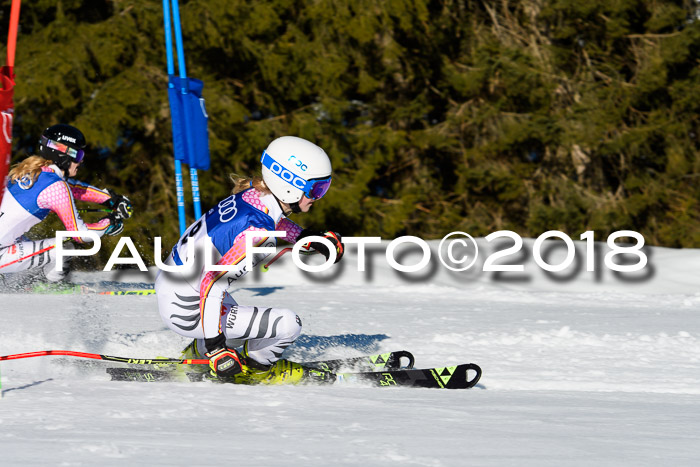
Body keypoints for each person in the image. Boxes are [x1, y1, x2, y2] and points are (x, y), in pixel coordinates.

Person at [155, 136, 344, 385]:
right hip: (187, 308)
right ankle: (258, 369)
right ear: (291, 186)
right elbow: (212, 283)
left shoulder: (253, 195)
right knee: (289, 324)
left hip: (177, 288)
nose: (318, 197)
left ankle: (198, 354)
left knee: (243, 326)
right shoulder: (259, 237)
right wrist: (216, 348)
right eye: (316, 189)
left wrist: (305, 237)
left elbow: (273, 221)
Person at [0, 124, 132, 286]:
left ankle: (26, 281)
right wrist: (110, 222)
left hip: (6, 245)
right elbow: (81, 234)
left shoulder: (30, 170)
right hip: (2, 252)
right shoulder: (55, 186)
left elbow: (73, 188)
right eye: (79, 155)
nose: (81, 161)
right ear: (64, 155)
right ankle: (47, 286)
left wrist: (108, 198)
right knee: (64, 248)